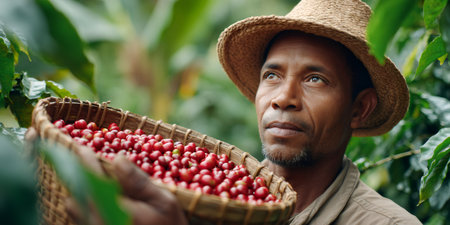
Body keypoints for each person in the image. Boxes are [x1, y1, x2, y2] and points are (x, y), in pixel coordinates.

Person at [52, 0, 422, 224]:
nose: (284, 98)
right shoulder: (209, 202)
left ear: (359, 108)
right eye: (272, 76)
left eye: (315, 80)